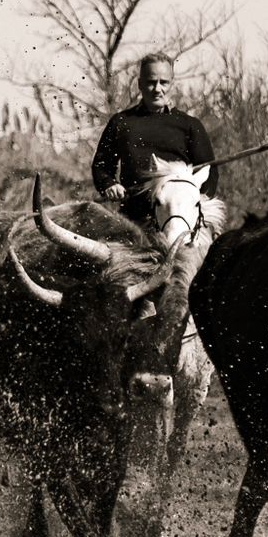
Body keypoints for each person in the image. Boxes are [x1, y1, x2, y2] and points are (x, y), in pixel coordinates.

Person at [89, 53, 216, 353]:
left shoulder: (190, 126)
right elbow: (101, 166)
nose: (157, 89)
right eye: (150, 82)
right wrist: (110, 185)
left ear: (172, 83)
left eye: (163, 82)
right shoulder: (121, 123)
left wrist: (189, 206)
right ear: (139, 84)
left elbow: (210, 175)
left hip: (183, 229)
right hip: (136, 227)